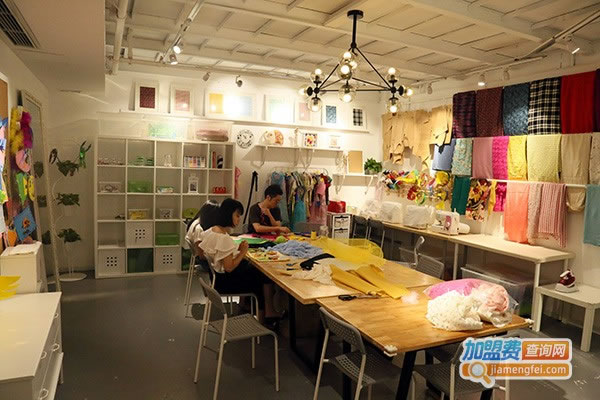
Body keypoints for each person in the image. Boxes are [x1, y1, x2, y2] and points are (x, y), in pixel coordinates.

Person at [199, 198, 281, 320]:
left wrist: (237, 250)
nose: (238, 219)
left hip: (216, 278)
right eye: (237, 215)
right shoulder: (223, 238)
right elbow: (229, 267)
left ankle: (245, 305)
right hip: (225, 282)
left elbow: (221, 255)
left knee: (252, 268)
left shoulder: (212, 230)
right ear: (228, 214)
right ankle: (265, 316)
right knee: (261, 276)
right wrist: (243, 252)